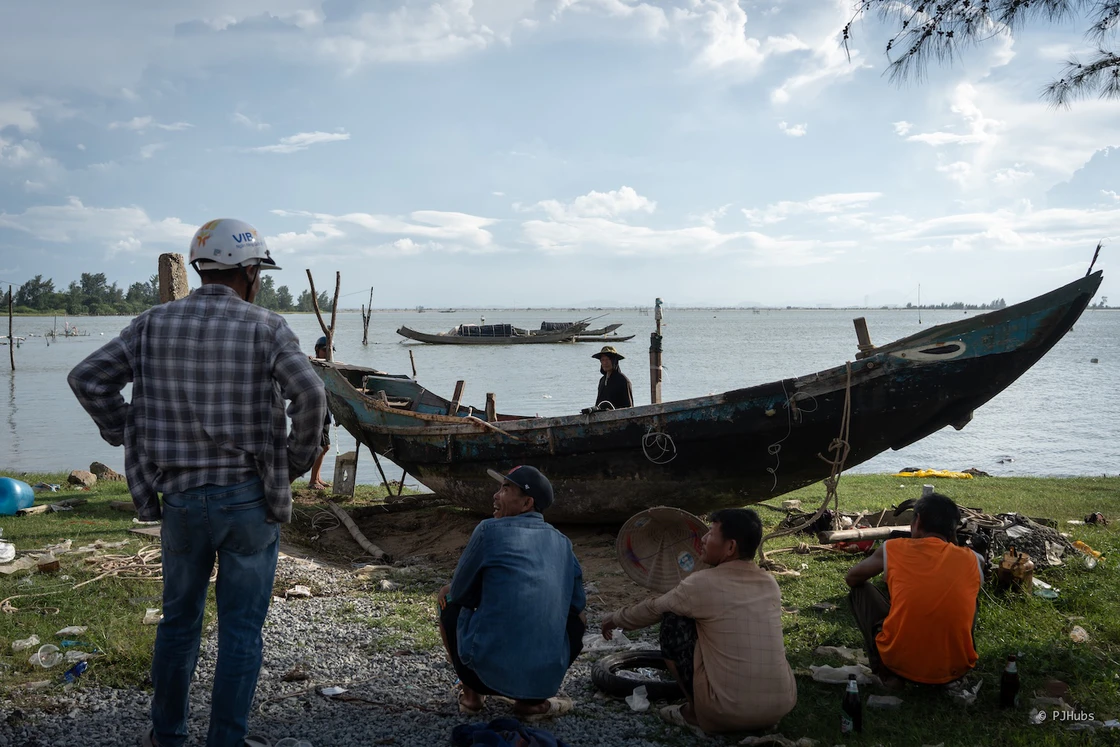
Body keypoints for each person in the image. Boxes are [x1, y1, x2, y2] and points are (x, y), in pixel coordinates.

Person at [68, 218, 327, 747]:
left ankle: (167, 736)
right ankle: (226, 741)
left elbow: (87, 378)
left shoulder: (149, 325)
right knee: (240, 630)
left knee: (178, 624)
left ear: (201, 268)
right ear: (250, 272)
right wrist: (293, 462)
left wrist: (127, 432)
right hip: (248, 502)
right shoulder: (268, 327)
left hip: (181, 501)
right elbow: (313, 397)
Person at [600, 508, 797, 735]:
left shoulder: (701, 583)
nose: (702, 539)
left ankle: (694, 714)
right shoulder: (769, 582)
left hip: (726, 713)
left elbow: (653, 608)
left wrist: (614, 619)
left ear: (730, 547)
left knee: (673, 620)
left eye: (711, 534)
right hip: (781, 707)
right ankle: (761, 716)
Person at [437, 466, 586, 720]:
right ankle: (533, 702)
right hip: (543, 678)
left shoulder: (488, 531)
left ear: (527, 503)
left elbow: (461, 593)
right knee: (577, 619)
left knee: (448, 601)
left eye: (505, 489)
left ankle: (472, 696)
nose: (496, 495)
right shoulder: (563, 542)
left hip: (481, 675)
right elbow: (577, 604)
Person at [845, 492, 984, 687]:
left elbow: (852, 578)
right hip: (956, 670)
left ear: (916, 521)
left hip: (898, 665)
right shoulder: (974, 560)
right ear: (952, 530)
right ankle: (954, 657)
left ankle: (884, 669)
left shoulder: (892, 548)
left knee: (860, 590)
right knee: (972, 594)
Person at [308, 336, 334, 491]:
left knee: (322, 446)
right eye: (325, 350)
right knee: (323, 446)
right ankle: (313, 481)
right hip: (317, 409)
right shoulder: (313, 364)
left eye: (330, 350)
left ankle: (317, 477)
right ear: (318, 350)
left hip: (327, 409)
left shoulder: (329, 367)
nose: (327, 353)